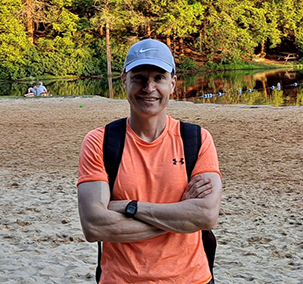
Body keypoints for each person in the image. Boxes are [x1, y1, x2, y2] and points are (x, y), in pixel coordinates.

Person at [77, 39, 222, 284]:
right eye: (140, 77)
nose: (149, 87)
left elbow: (206, 216)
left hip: (192, 279)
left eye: (158, 77)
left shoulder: (197, 139)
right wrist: (181, 218)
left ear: (173, 83)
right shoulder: (99, 141)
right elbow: (94, 227)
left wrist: (129, 207)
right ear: (125, 81)